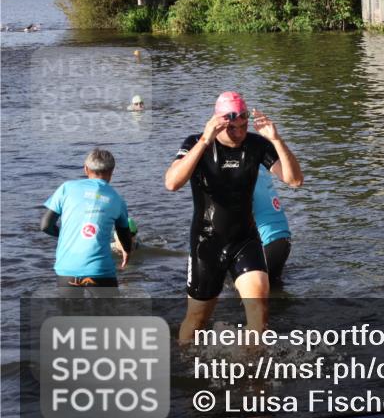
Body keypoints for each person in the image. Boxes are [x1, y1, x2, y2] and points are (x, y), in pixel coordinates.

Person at [165, 92, 303, 342]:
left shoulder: (256, 145)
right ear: (218, 123)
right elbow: (172, 183)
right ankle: (188, 368)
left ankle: (251, 373)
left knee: (259, 310)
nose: (239, 133)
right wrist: (205, 141)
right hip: (206, 242)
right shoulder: (196, 142)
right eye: (232, 128)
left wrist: (277, 139)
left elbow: (294, 180)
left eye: (244, 125)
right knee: (197, 320)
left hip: (245, 240)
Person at [40, 148, 134, 289]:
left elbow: (45, 226)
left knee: (70, 311)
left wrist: (63, 235)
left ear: (85, 169)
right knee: (107, 311)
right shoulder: (117, 200)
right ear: (112, 172)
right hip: (101, 271)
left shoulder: (66, 188)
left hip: (67, 269)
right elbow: (123, 232)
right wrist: (127, 250)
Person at [253, 166, 292, 288]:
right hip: (283, 238)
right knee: (273, 288)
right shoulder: (260, 163)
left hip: (268, 241)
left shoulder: (240, 170)